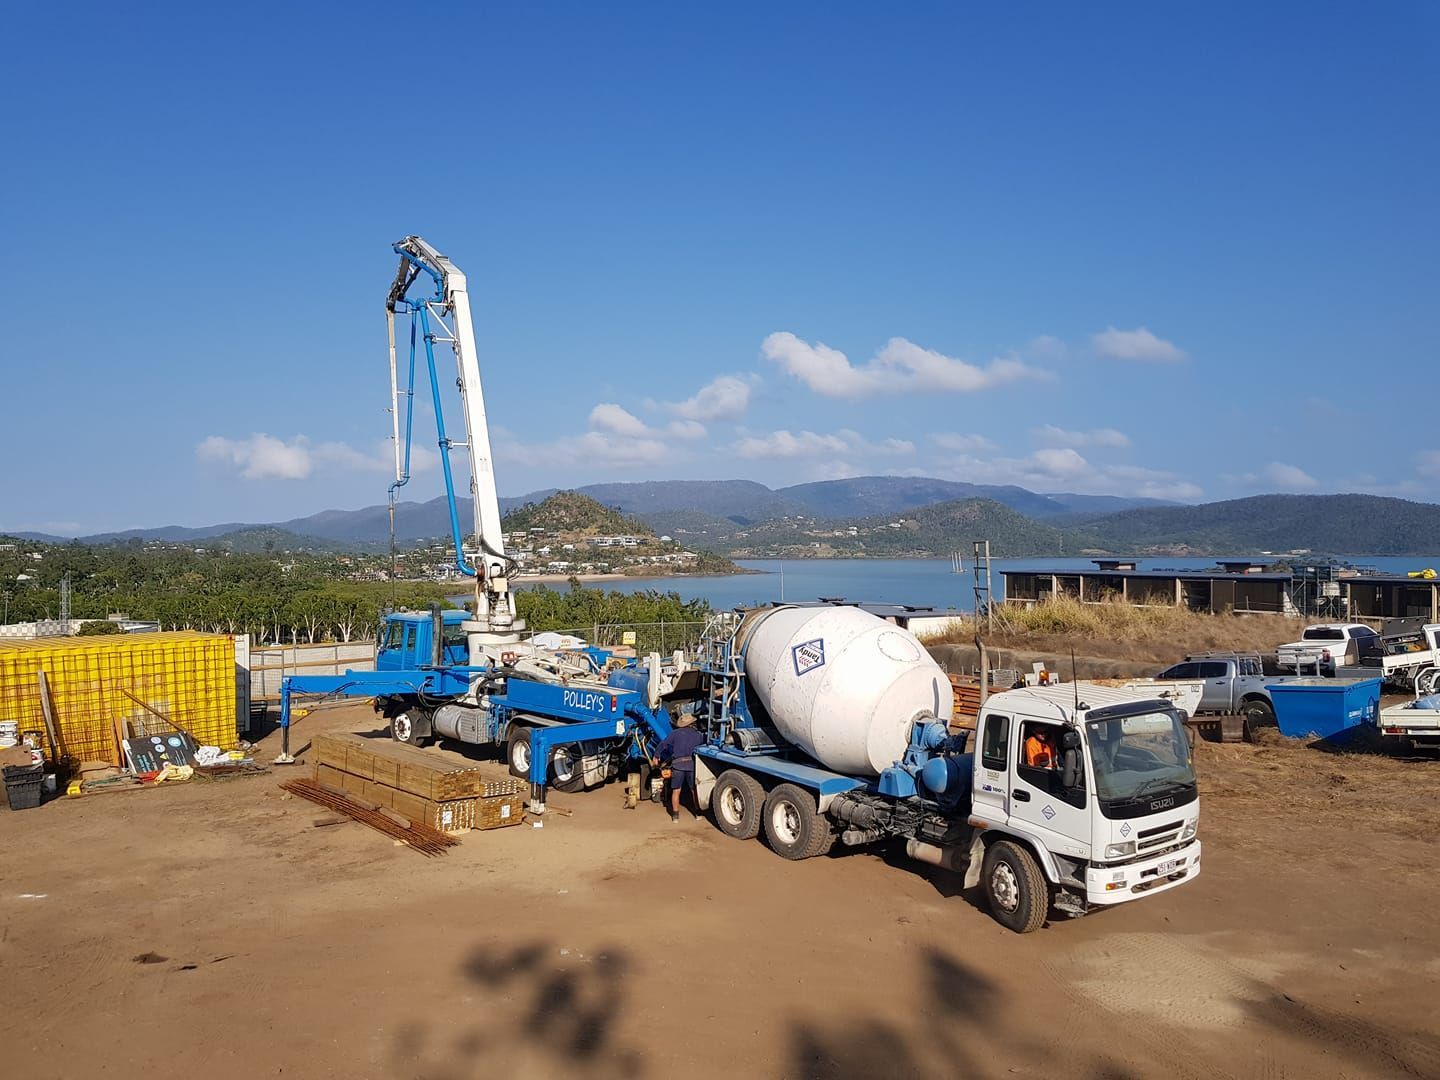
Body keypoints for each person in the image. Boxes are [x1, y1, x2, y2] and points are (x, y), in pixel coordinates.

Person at [656, 713, 704, 822]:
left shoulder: (675, 734)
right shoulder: (698, 735)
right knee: (694, 790)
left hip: (678, 765)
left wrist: (656, 755)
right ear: (692, 723)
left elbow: (663, 744)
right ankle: (698, 813)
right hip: (692, 765)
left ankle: (675, 816)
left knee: (676, 791)